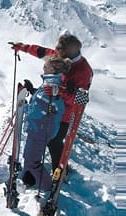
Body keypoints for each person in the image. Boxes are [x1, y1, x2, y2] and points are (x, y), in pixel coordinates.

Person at [12, 34, 93, 173]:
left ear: (67, 51)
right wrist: (23, 47)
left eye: (58, 48)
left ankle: (61, 170)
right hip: (50, 105)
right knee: (47, 137)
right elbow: (41, 52)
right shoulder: (59, 57)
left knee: (54, 141)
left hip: (65, 115)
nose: (55, 50)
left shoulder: (83, 71)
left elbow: (81, 100)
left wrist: (60, 92)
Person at [20, 56, 72, 191]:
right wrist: (32, 91)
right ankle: (29, 179)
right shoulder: (50, 84)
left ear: (53, 69)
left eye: (46, 66)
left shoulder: (53, 87)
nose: (43, 67)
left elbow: (40, 111)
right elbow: (41, 103)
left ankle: (48, 188)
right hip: (37, 129)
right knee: (28, 157)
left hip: (40, 131)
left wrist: (24, 108)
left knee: (33, 162)